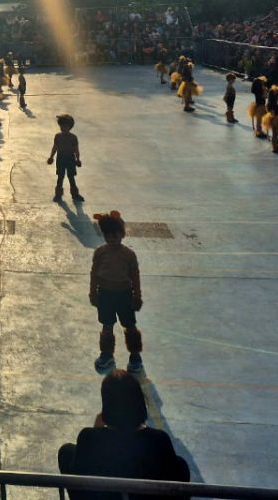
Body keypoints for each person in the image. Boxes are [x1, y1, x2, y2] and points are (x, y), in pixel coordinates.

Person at [57, 370, 190, 500]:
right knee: (180, 465)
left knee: (67, 452)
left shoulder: (88, 438)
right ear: (139, 403)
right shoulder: (159, 440)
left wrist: (97, 430)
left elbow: (85, 471)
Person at [90, 211, 143, 373]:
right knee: (107, 325)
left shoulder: (128, 255)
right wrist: (93, 292)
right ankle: (107, 354)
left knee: (130, 326)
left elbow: (135, 276)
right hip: (105, 294)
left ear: (122, 235)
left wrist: (137, 296)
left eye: (115, 235)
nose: (112, 239)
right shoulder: (100, 253)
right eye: (108, 236)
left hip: (124, 295)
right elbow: (94, 274)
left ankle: (135, 356)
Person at [47, 113, 83, 202]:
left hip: (70, 159)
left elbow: (76, 150)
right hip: (60, 159)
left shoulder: (73, 138)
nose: (62, 128)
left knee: (71, 177)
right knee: (60, 177)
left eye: (65, 126)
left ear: (70, 127)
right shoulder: (57, 136)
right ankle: (58, 195)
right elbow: (55, 147)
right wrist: (51, 157)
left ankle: (75, 195)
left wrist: (78, 159)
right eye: (61, 126)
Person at [247, 75, 269, 139]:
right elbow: (265, 97)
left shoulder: (259, 92)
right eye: (262, 83)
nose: (263, 84)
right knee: (259, 119)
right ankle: (259, 131)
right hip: (260, 106)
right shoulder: (260, 92)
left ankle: (259, 130)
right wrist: (265, 93)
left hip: (260, 106)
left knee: (260, 119)